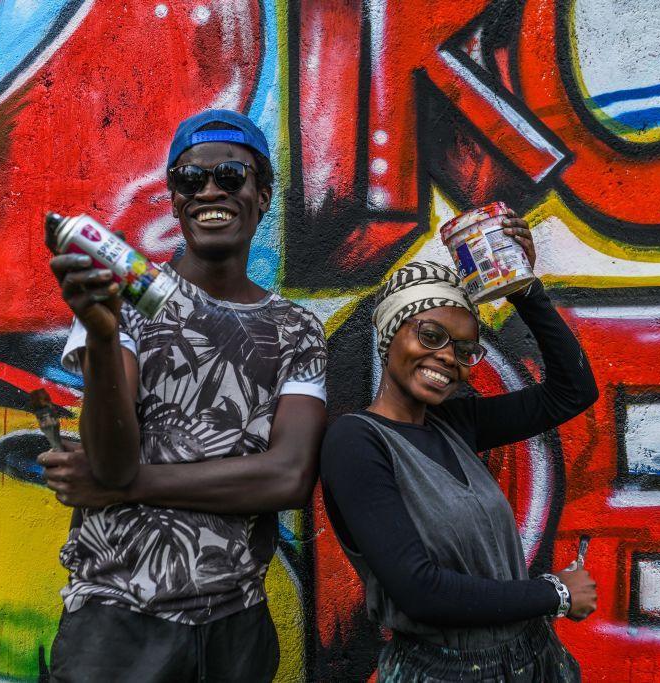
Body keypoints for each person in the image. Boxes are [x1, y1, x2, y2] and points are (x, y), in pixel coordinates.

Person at [40, 109, 327, 682]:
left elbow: (288, 478)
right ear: (174, 200)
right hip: (115, 624)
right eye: (191, 181)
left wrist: (126, 487)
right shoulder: (119, 296)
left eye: (231, 176)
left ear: (263, 195)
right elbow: (113, 457)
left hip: (236, 624)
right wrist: (100, 332)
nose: (210, 191)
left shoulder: (297, 328)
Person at [319, 223, 600, 681]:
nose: (449, 357)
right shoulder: (356, 442)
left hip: (532, 662)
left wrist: (524, 289)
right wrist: (555, 594)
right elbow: (421, 591)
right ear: (391, 336)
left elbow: (572, 392)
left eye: (466, 349)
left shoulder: (456, 424)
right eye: (431, 336)